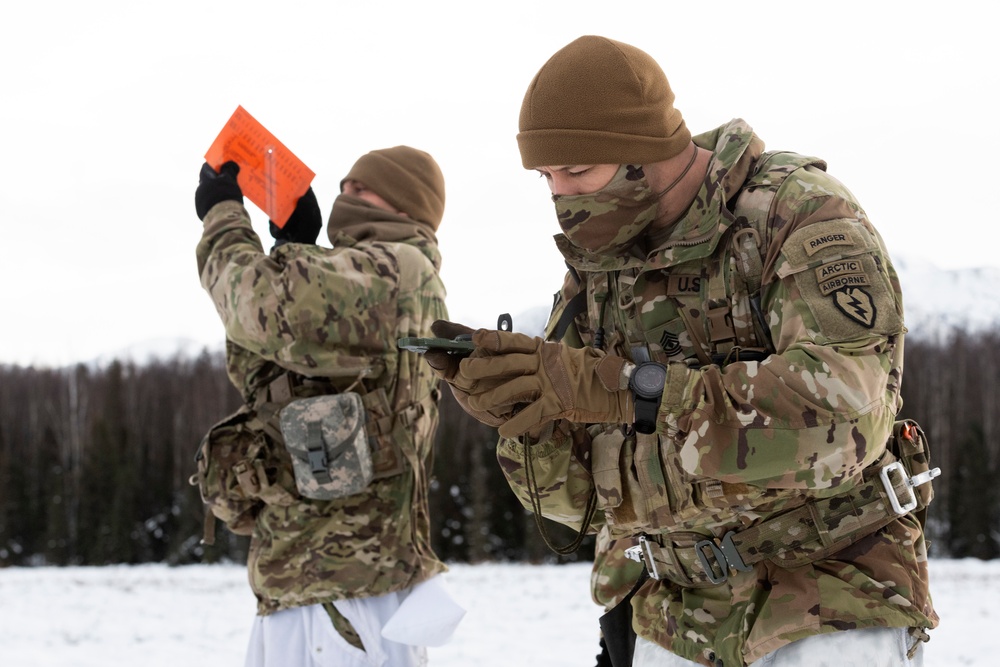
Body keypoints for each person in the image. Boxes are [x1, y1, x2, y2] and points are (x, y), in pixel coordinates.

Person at [426, 36, 937, 667]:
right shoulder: (600, 266)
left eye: (578, 170)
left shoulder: (795, 213)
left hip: (830, 603)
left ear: (645, 152)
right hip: (673, 618)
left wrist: (623, 390)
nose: (560, 196)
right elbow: (581, 508)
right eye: (546, 176)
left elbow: (846, 421)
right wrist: (525, 419)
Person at [193, 145, 463, 667]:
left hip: (346, 596)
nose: (345, 197)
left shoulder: (400, 269)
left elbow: (257, 305)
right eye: (343, 188)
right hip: (305, 581)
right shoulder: (371, 279)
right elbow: (259, 368)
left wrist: (224, 216)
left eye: (361, 189)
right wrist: (294, 246)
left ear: (407, 208)